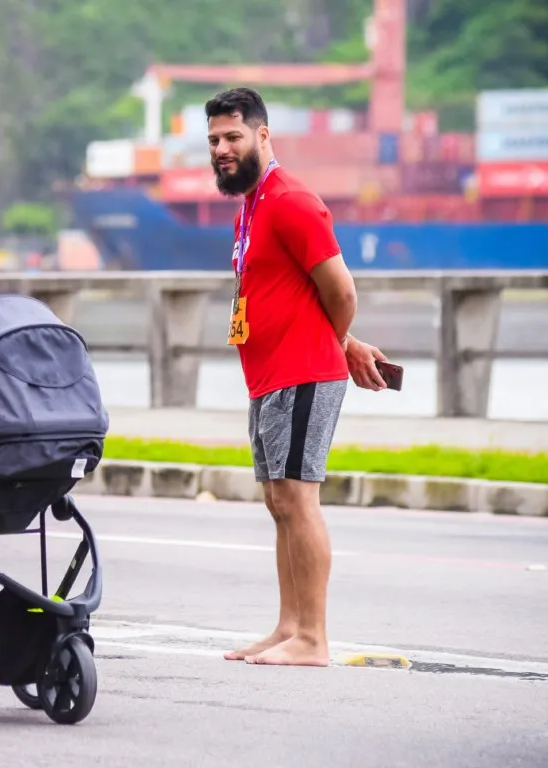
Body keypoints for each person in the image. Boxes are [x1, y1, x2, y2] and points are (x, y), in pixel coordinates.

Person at [204, 87, 391, 667]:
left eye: (233, 137)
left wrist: (335, 343)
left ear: (263, 136)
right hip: (268, 376)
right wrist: (349, 342)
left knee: (299, 499)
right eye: (213, 140)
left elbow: (341, 290)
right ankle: (289, 627)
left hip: (302, 372)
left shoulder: (290, 201)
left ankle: (313, 637)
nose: (221, 149)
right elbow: (295, 293)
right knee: (279, 501)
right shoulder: (253, 205)